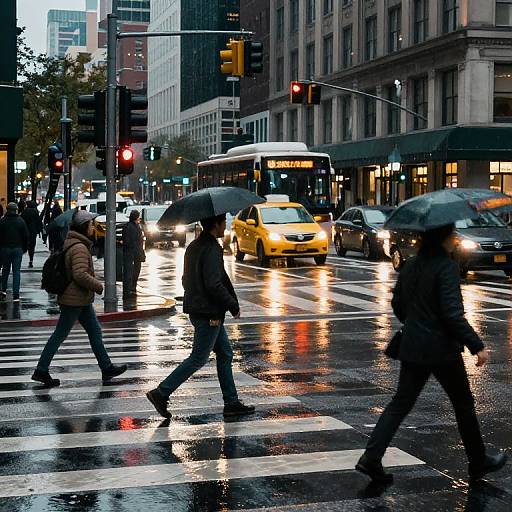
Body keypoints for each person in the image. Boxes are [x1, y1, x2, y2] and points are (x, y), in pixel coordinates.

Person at [356, 223, 508, 485]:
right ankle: (478, 460)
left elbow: (398, 304)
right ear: (444, 237)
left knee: (400, 403)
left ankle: (371, 457)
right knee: (463, 403)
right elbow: (452, 314)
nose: (455, 238)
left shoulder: (411, 265)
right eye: (452, 234)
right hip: (442, 349)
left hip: (414, 346)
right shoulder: (446, 267)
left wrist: (415, 324)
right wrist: (476, 344)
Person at [146, 214, 255, 419]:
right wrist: (232, 305)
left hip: (201, 309)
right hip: (209, 312)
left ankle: (231, 402)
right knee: (198, 358)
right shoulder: (212, 248)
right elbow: (214, 284)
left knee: (225, 354)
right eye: (223, 223)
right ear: (216, 224)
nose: (225, 227)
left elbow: (185, 279)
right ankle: (161, 392)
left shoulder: (194, 245)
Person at [32, 210, 127, 387]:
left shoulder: (76, 244)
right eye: (91, 225)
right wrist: (98, 286)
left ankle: (106, 368)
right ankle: (41, 370)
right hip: (74, 299)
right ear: (84, 227)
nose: (93, 227)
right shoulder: (79, 248)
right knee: (60, 334)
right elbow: (80, 274)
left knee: (94, 332)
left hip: (80, 299)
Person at [0, 203, 29, 301]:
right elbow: (26, 236)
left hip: (5, 248)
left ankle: (3, 291)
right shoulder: (21, 221)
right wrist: (24, 248)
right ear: (16, 210)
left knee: (5, 270)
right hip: (17, 249)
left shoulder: (2, 221)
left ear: (7, 210)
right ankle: (16, 294)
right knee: (16, 272)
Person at [121, 210, 145, 299]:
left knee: (133, 271)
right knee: (130, 272)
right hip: (132, 253)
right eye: (138, 216)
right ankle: (129, 290)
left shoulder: (134, 226)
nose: (139, 218)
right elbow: (131, 241)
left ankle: (131, 289)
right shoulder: (131, 227)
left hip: (135, 253)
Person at [21, 200, 43, 268]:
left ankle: (21, 256)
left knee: (24, 244)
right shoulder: (35, 212)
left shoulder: (24, 212)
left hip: (25, 231)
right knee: (32, 246)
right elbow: (39, 222)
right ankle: (31, 260)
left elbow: (21, 221)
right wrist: (40, 230)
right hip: (33, 231)